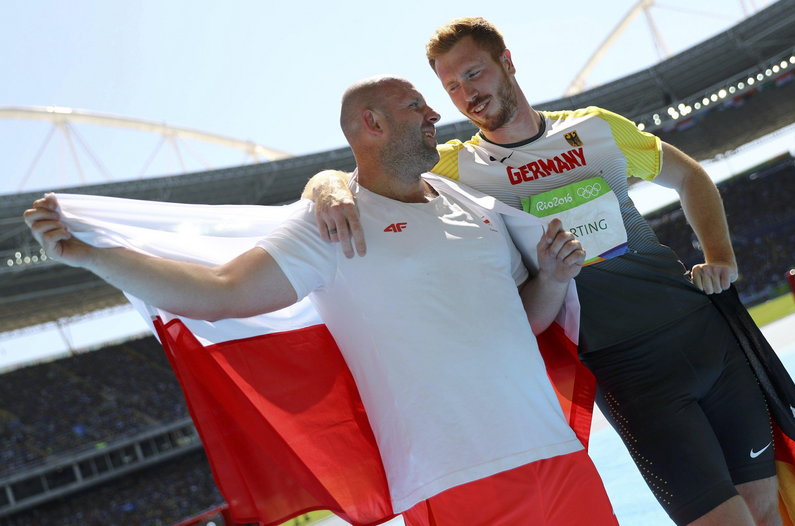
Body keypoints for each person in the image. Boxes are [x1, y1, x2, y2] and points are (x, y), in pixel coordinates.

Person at [24, 75, 617, 525]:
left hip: (554, 451)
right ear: (371, 124)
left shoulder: (475, 206)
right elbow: (220, 294)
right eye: (416, 105)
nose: (436, 112)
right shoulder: (330, 223)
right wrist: (93, 256)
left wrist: (555, 280)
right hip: (455, 475)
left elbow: (524, 323)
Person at [304, 18, 781, 526]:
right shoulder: (455, 167)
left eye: (474, 73)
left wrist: (721, 256)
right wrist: (326, 186)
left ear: (506, 61)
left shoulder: (594, 127)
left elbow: (689, 174)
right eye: (452, 86)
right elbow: (365, 169)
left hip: (702, 332)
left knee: (766, 511)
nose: (466, 94)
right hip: (624, 368)